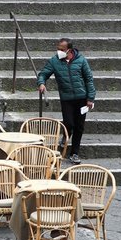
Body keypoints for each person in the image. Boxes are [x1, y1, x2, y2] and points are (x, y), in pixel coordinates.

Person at [37, 37, 96, 165]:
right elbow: (43, 74)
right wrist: (41, 83)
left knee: (79, 126)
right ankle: (66, 135)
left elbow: (89, 79)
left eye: (61, 49)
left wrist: (90, 98)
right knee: (69, 123)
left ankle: (74, 153)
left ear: (69, 50)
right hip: (67, 98)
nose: (59, 51)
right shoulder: (54, 61)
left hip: (81, 98)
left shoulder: (81, 60)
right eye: (58, 48)